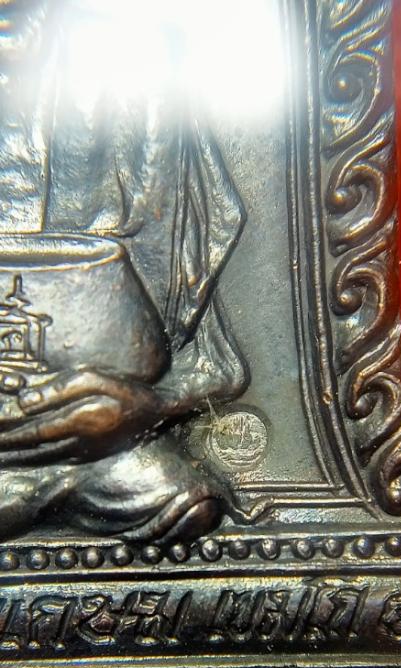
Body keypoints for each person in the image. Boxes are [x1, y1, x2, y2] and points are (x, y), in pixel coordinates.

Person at [0, 0, 251, 543]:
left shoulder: (133, 66)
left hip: (96, 446)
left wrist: (146, 408)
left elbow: (214, 366)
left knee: (181, 499)